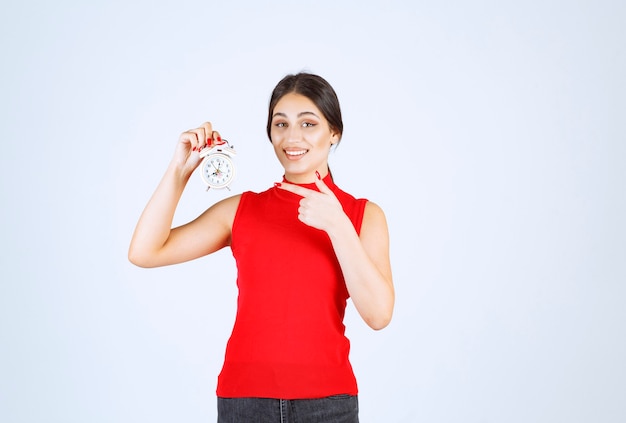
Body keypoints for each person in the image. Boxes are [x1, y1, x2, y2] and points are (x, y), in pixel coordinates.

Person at [128, 72, 394, 423]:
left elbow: (378, 315)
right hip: (244, 401)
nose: (292, 137)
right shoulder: (242, 210)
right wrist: (180, 170)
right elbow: (145, 252)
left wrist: (338, 225)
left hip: (328, 403)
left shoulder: (363, 215)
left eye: (308, 123)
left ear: (334, 133)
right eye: (280, 124)